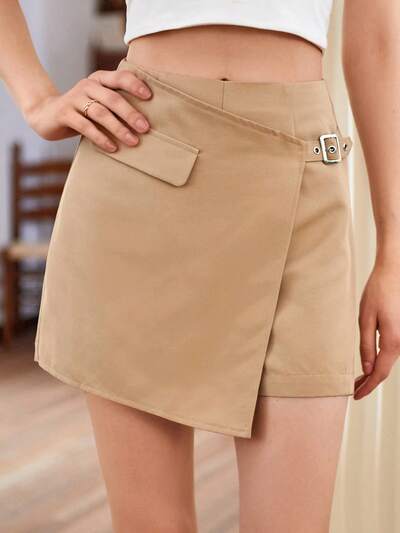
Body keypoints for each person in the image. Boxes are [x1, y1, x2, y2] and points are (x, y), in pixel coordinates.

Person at [1, 1, 399, 532]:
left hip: (303, 179)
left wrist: (392, 255)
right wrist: (37, 100)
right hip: (143, 155)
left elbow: (378, 45)